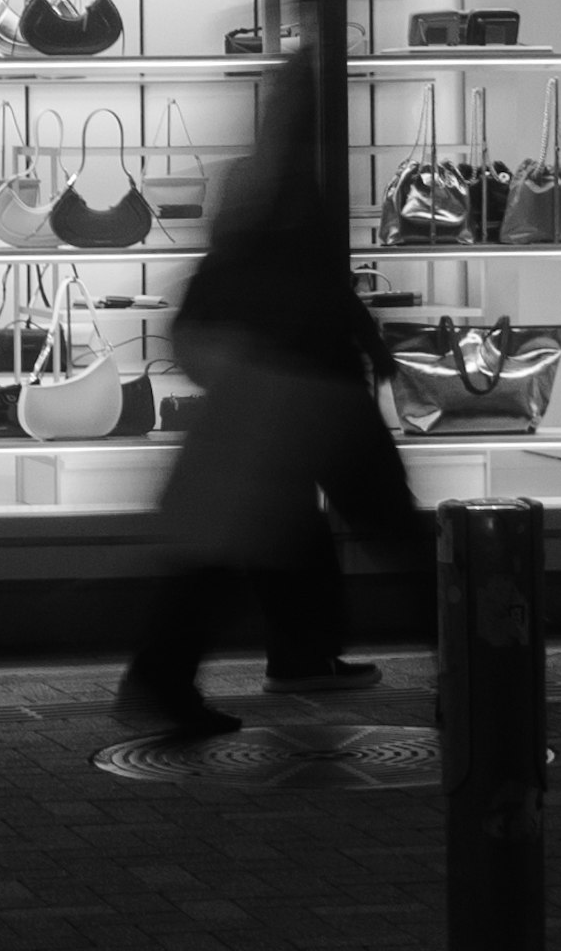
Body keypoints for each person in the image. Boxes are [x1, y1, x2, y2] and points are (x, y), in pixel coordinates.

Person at [120, 49, 424, 739]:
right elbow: (314, 280)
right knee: (381, 526)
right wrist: (366, 344)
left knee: (253, 525)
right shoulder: (294, 182)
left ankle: (195, 667)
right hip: (305, 375)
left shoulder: (259, 181)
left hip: (273, 372)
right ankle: (476, 653)